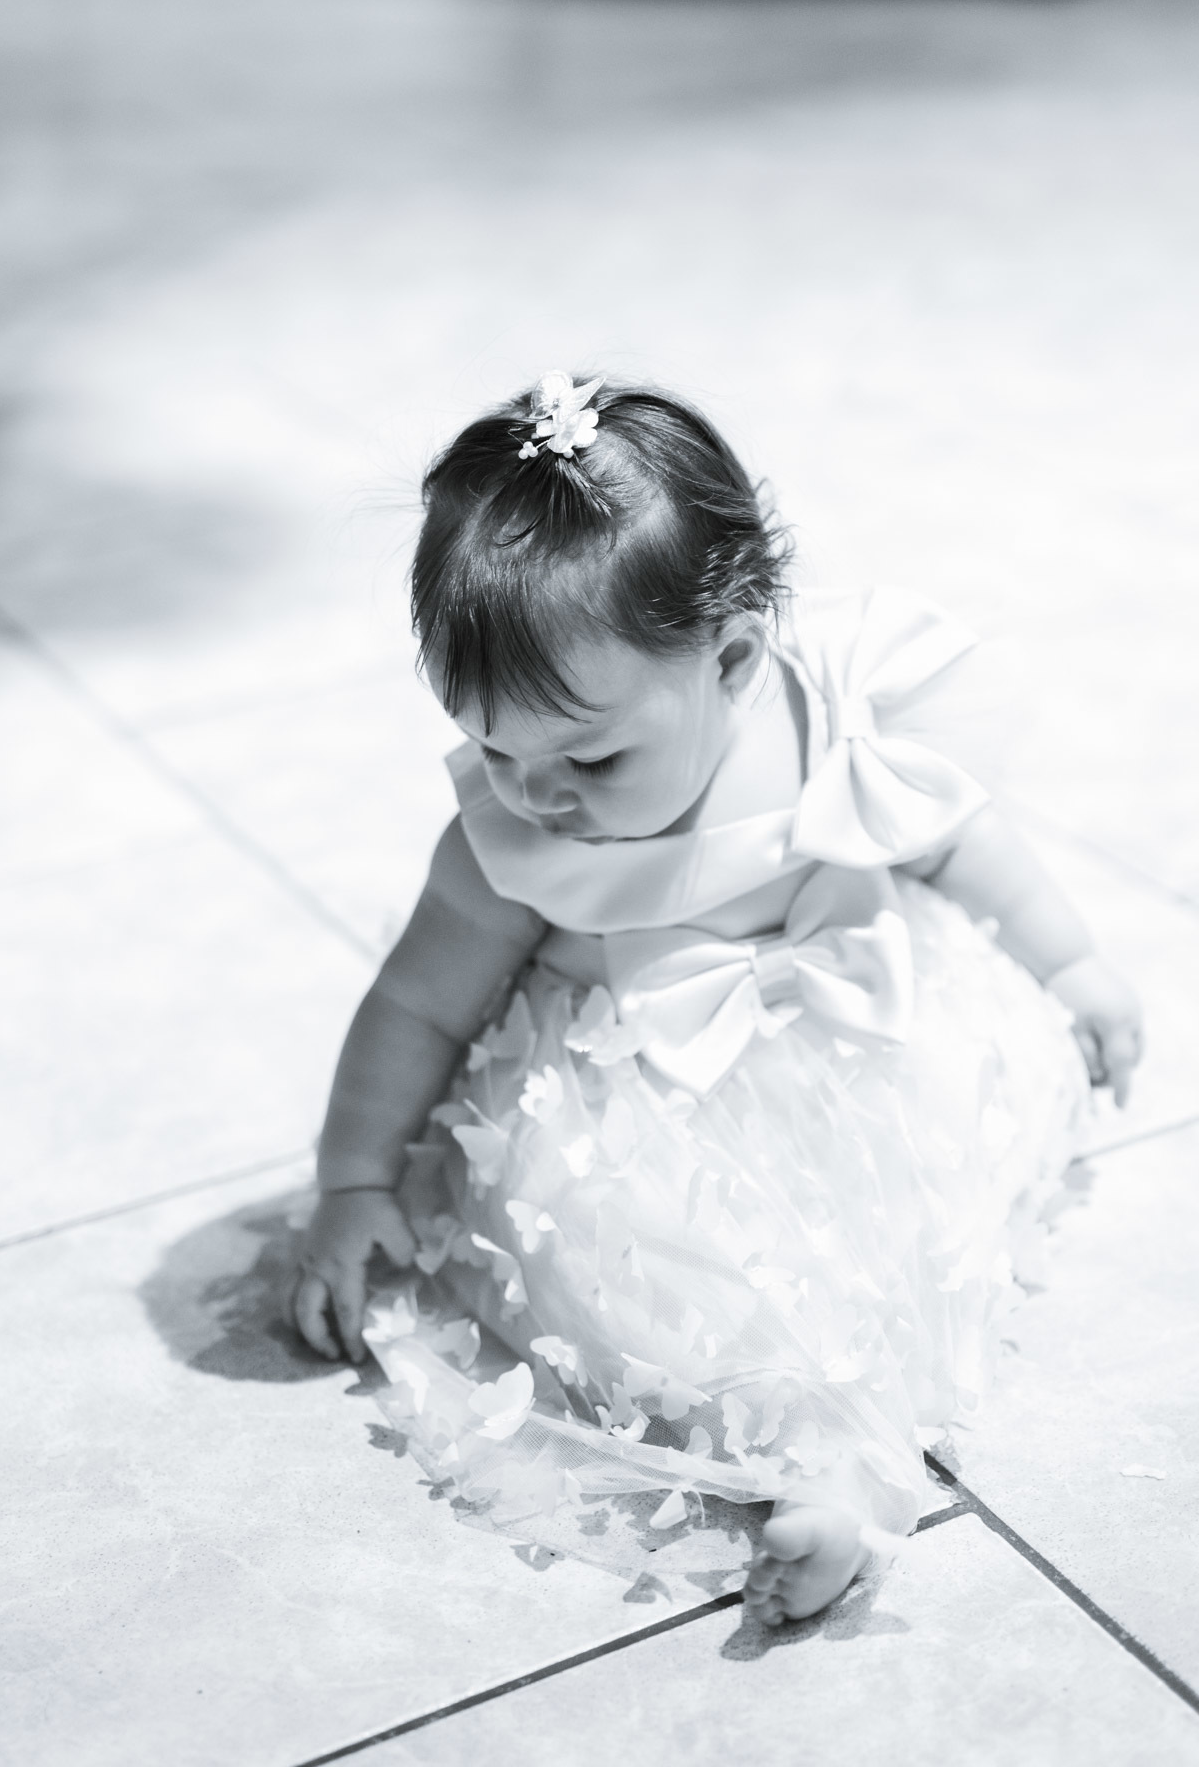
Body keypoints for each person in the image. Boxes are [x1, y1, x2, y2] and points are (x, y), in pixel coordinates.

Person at [291, 373, 1142, 1624]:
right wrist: (355, 1180)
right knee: (670, 1277)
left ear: (734, 660)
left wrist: (1069, 964)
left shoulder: (831, 717)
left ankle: (860, 1438)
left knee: (899, 1215)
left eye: (590, 756)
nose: (536, 795)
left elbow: (957, 841)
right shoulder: (508, 847)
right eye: (494, 749)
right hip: (637, 1098)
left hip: (854, 1035)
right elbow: (415, 1008)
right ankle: (817, 1471)